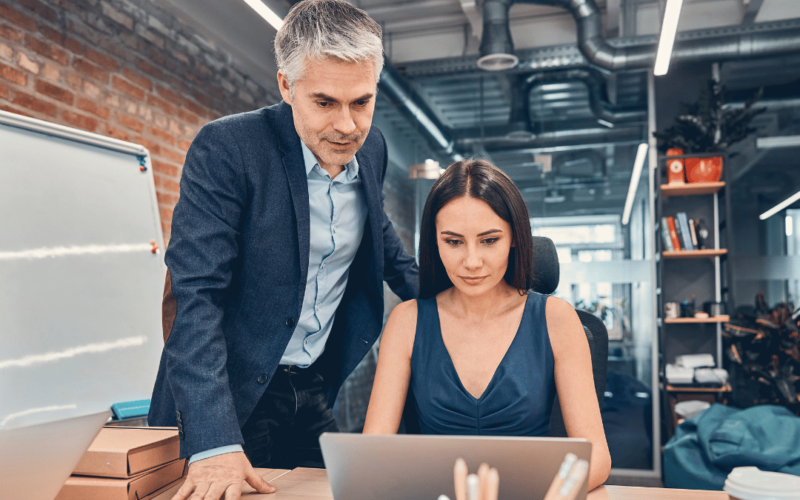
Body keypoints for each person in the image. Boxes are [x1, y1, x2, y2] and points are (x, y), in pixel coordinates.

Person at [147, 1, 419, 499]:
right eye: (324, 103)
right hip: (231, 396)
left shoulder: (371, 149)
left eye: (361, 102)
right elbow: (195, 299)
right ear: (285, 86)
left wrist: (478, 299)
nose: (347, 126)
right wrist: (213, 443)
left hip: (312, 387)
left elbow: (385, 246)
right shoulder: (229, 149)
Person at [363, 159, 612, 490]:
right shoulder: (406, 321)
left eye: (489, 240)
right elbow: (371, 456)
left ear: (513, 237)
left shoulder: (556, 318)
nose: (471, 262)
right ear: (434, 242)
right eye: (453, 242)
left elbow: (595, 457)